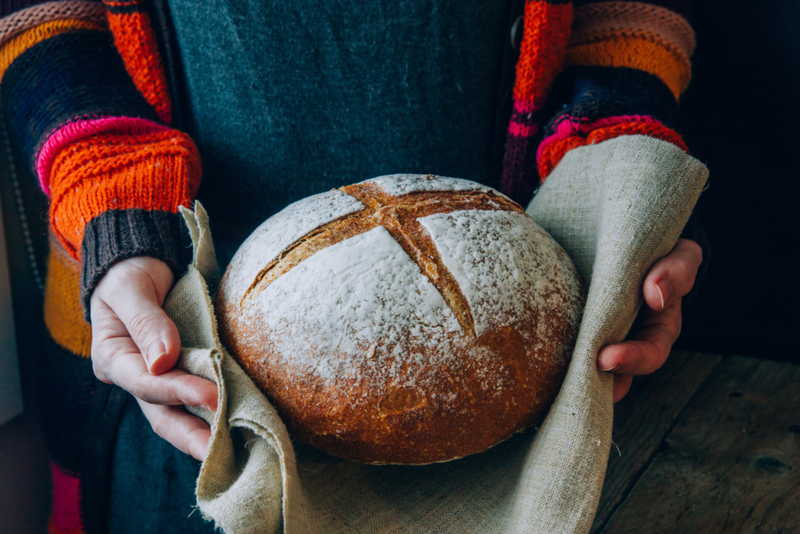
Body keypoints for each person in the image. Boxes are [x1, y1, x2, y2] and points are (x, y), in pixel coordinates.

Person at [0, 0, 703, 531]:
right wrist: (116, 203)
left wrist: (618, 188)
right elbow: (37, 10)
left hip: (521, 349)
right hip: (177, 356)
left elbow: (623, 14)